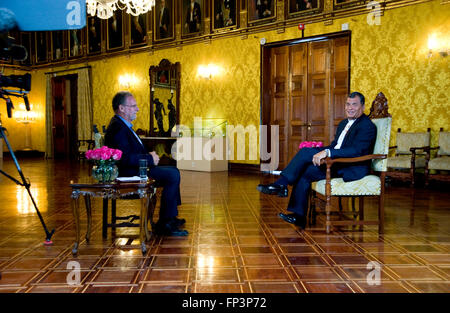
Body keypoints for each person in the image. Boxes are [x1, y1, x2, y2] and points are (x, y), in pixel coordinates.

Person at [257, 92, 377, 229]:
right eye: (348, 104)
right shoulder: (344, 123)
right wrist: (322, 150)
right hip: (336, 162)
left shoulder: (367, 125)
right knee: (306, 171)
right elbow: (335, 146)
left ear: (362, 106)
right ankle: (299, 216)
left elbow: (356, 151)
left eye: (354, 104)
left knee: (305, 152)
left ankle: (282, 184)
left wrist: (326, 152)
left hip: (351, 166)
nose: (350, 108)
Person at [104, 91, 188, 236]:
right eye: (133, 106)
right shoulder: (118, 128)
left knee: (174, 171)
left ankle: (170, 217)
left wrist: (149, 155)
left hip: (137, 169)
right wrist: (149, 159)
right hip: (129, 174)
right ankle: (166, 223)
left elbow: (132, 151)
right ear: (121, 108)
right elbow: (124, 158)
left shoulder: (123, 126)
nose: (137, 109)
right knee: (172, 174)